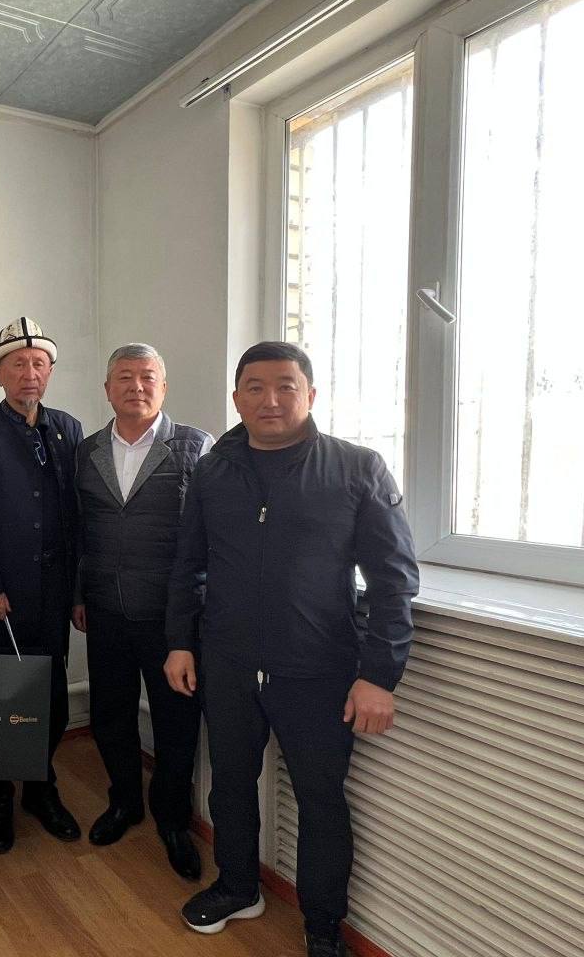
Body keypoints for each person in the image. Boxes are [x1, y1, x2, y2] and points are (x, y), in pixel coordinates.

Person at [165, 341, 419, 957]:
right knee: (229, 785)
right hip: (226, 662)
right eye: (255, 388)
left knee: (320, 800)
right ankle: (238, 887)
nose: (270, 400)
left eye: (285, 386)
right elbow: (188, 564)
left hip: (318, 670)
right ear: (237, 399)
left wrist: (379, 675)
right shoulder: (214, 471)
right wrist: (179, 643)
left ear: (310, 394)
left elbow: (393, 581)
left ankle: (323, 927)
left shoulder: (357, 468)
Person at [73, 343, 211, 879]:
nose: (136, 386)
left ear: (164, 386)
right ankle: (125, 801)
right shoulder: (86, 451)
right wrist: (79, 595)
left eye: (148, 376)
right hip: (105, 609)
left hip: (171, 617)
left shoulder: (196, 447)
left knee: (176, 722)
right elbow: (79, 530)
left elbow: (210, 541)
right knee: (110, 713)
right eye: (125, 377)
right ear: (107, 389)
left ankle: (172, 819)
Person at [0, 317, 83, 854]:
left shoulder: (68, 428)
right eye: (18, 364)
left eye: (39, 364)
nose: (30, 373)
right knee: (0, 692)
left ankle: (40, 787)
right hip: (0, 593)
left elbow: (78, 515)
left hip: (54, 589)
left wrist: (77, 592)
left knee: (50, 692)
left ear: (49, 371)